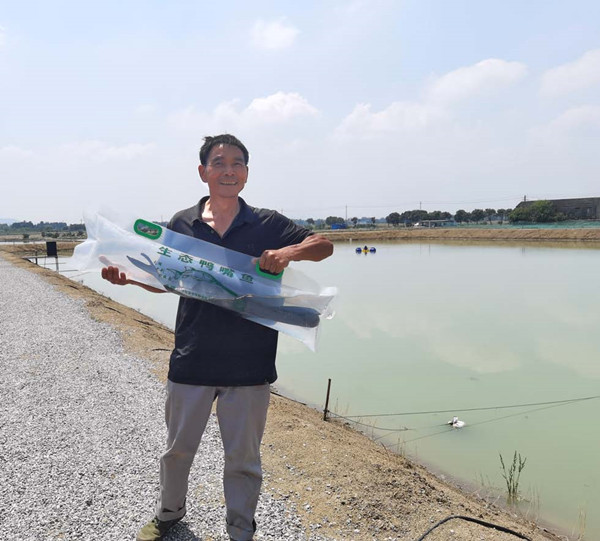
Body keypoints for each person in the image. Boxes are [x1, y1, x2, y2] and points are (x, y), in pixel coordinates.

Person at [101, 134, 334, 541]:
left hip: (250, 363)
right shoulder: (182, 224)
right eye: (219, 162)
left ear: (247, 172)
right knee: (177, 451)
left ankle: (241, 529)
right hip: (192, 357)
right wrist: (131, 279)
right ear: (202, 171)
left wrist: (288, 253)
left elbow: (324, 246)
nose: (229, 170)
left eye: (237, 163)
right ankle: (169, 514)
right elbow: (167, 280)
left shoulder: (268, 223)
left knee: (243, 459)